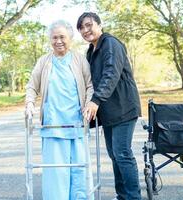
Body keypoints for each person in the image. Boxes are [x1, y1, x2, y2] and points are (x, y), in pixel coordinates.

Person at [25, 20, 94, 200]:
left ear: (70, 38)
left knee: (78, 169)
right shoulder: (44, 61)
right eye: (54, 38)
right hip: (53, 124)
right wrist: (30, 103)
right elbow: (32, 86)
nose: (58, 41)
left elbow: (89, 86)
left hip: (77, 122)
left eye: (62, 37)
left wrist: (88, 104)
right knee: (56, 172)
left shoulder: (80, 59)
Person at [77, 12, 142, 200]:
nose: (85, 30)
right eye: (81, 27)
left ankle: (133, 197)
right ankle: (122, 195)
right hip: (109, 111)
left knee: (122, 153)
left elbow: (111, 74)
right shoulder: (91, 50)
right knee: (115, 155)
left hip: (124, 107)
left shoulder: (110, 44)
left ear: (99, 24)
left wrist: (96, 100)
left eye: (89, 25)